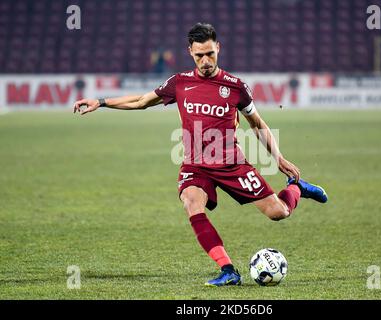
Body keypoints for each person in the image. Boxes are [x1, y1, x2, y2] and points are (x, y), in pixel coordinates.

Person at [73, 23, 328, 287]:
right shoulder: (179, 83)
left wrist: (279, 158)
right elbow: (140, 101)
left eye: (210, 54)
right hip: (195, 166)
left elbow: (257, 124)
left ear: (218, 48)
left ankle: (296, 188)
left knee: (279, 212)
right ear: (190, 53)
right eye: (199, 56)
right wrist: (101, 102)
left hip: (231, 165)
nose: (205, 61)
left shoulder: (236, 87)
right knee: (191, 203)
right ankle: (228, 270)